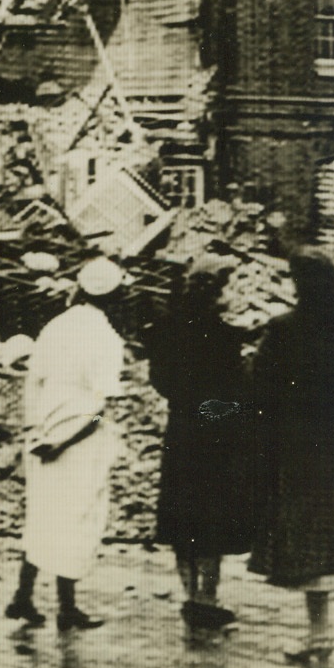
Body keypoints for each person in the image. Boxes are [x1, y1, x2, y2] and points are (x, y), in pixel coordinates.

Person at [249, 249, 334, 668]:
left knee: (309, 534)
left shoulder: (283, 330)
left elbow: (260, 385)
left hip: (297, 441)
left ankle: (318, 636)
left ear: (298, 284)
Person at [5, 256, 125, 632]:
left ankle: (23, 597)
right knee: (77, 518)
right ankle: (66, 607)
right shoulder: (106, 337)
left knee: (43, 515)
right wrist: (63, 440)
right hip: (76, 436)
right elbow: (100, 406)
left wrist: (35, 431)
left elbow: (33, 380)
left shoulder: (58, 325)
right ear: (116, 296)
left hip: (45, 429)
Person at [143, 253, 254, 645]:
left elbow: (160, 380)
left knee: (181, 517)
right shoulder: (224, 336)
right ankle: (207, 597)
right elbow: (234, 394)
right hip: (214, 439)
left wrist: (189, 405)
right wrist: (224, 409)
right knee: (211, 519)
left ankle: (191, 595)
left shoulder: (168, 329)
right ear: (217, 291)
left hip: (181, 432)